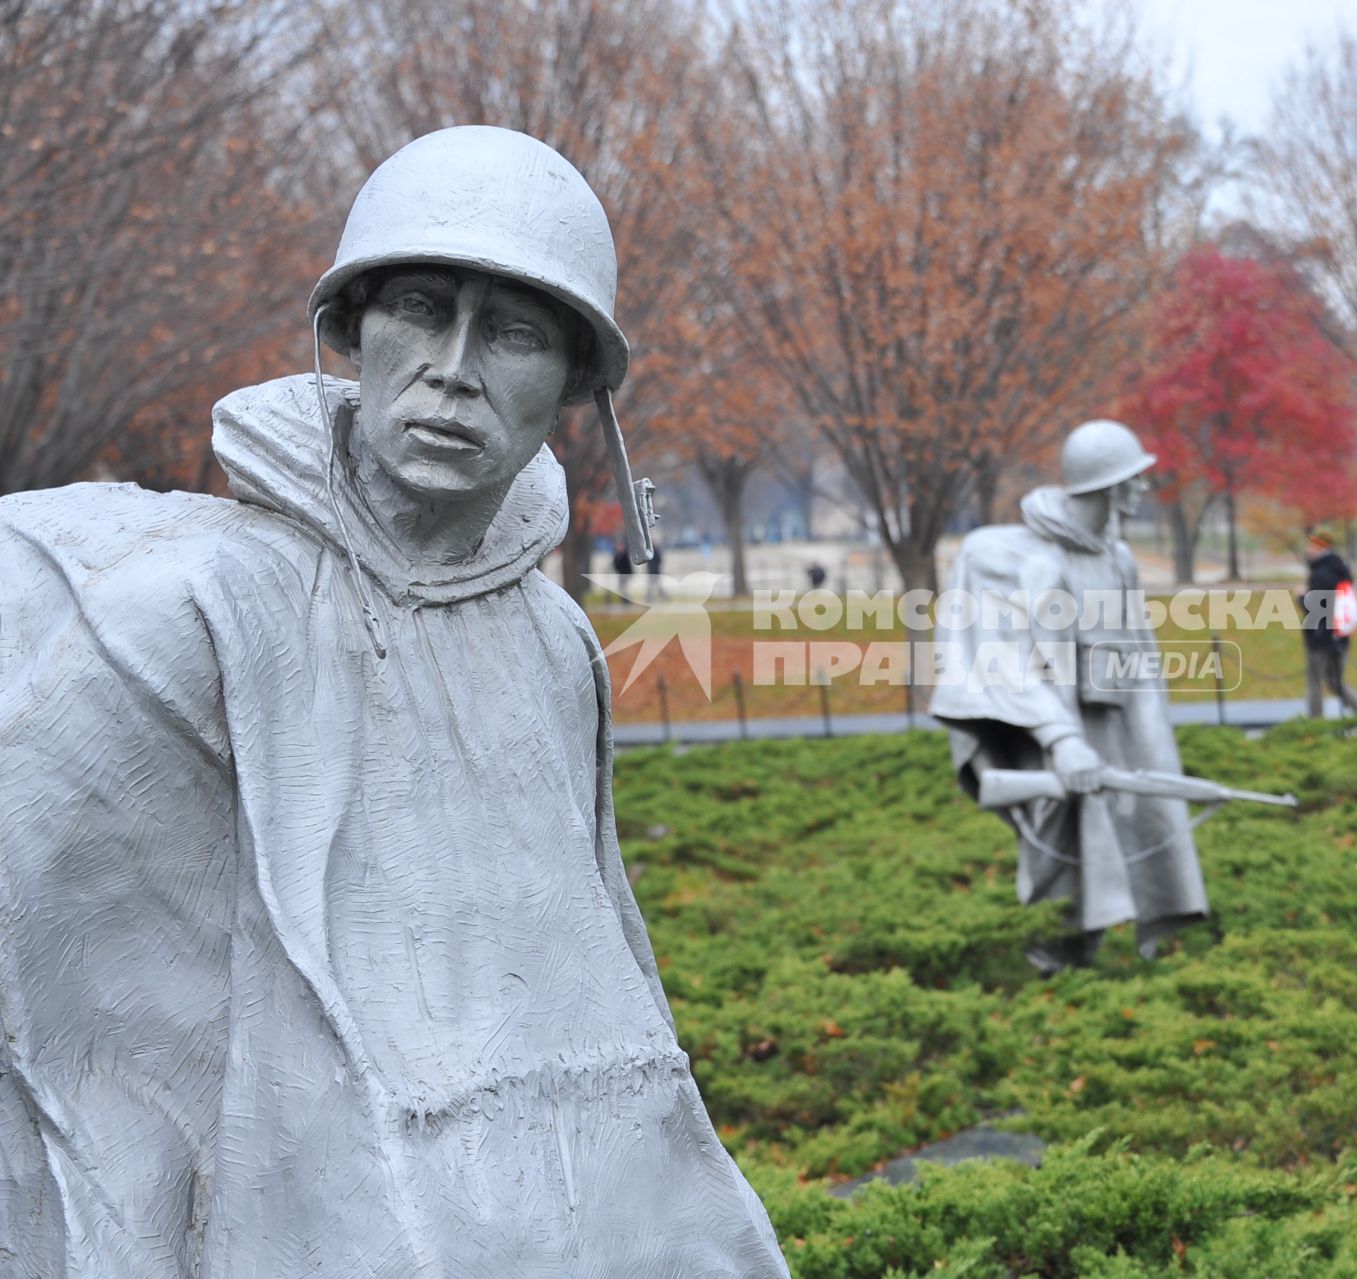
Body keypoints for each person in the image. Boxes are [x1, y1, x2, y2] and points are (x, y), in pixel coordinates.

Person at [0, 128, 787, 1276]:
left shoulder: (555, 637)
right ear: (351, 333)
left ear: (575, 385)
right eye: (421, 306)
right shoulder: (186, 610)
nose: (455, 366)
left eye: (515, 332)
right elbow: (90, 1056)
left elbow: (600, 976)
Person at [931, 419, 1208, 974]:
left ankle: (1098, 967)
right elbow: (1009, 658)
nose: (1140, 494)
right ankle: (1054, 975)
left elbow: (1137, 658)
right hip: (1051, 737)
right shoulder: (1025, 560)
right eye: (1131, 483)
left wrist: (1154, 756)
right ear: (1105, 490)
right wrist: (1062, 742)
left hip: (1108, 735)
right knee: (1061, 863)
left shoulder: (1116, 557)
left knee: (1118, 848)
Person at [1298, 526, 1357, 730]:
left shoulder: (1320, 574)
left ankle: (1314, 727)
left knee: (1315, 682)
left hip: (1320, 637)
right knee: (1335, 682)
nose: (1308, 550)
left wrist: (1301, 596)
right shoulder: (1340, 570)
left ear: (1319, 548)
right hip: (1340, 635)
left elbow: (1316, 610)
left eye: (1312, 545)